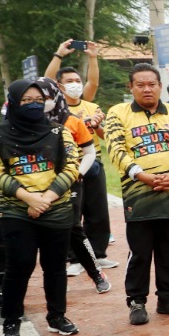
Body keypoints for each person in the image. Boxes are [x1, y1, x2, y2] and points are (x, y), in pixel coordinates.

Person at [0, 79, 81, 336]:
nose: (34, 104)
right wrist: (28, 198)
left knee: (55, 266)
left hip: (56, 208)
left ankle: (57, 316)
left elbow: (72, 168)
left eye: (39, 100)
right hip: (16, 210)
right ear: (14, 102)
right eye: (26, 100)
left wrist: (46, 199)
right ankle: (11, 321)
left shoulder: (59, 132)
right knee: (19, 265)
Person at [107, 64, 169, 325]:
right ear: (131, 87)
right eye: (140, 85)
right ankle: (136, 301)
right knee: (140, 251)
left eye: (152, 84)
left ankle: (167, 298)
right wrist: (141, 174)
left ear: (160, 85)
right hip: (138, 194)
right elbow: (116, 148)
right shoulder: (118, 113)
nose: (147, 89)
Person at [34, 78, 110, 293]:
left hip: (69, 183)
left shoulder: (72, 121)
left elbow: (89, 152)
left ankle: (96, 273)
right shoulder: (26, 122)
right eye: (36, 98)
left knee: (73, 228)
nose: (41, 102)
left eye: (46, 97)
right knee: (40, 233)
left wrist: (77, 173)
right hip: (36, 186)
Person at [52, 64, 116, 268]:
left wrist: (97, 125)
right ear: (59, 85)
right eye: (69, 81)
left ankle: (98, 253)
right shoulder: (55, 110)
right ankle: (74, 257)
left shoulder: (92, 106)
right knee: (72, 212)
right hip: (67, 165)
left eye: (78, 81)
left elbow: (106, 136)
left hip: (93, 163)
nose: (75, 85)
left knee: (97, 210)